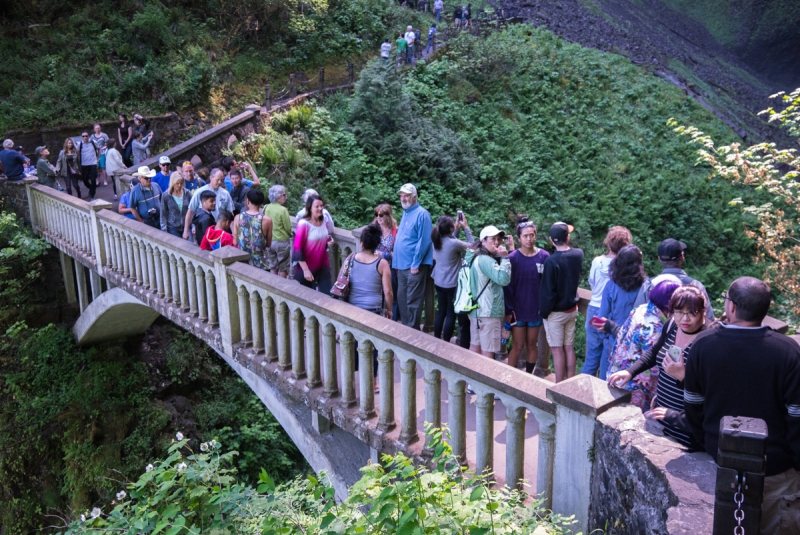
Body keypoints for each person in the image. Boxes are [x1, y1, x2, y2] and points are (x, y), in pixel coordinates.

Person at [685, 278, 800, 535]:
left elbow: (693, 407)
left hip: (721, 466)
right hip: (777, 470)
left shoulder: (703, 346)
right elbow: (797, 416)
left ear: (732, 307)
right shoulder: (788, 351)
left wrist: (711, 444)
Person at [608, 285, 710, 450]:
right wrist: (630, 371)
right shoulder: (672, 325)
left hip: (687, 427)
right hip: (662, 416)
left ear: (703, 311)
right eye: (678, 311)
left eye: (692, 312)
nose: (684, 319)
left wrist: (684, 377)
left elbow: (711, 392)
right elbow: (655, 352)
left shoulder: (709, 340)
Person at [602, 276, 680, 409]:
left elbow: (621, 336)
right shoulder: (654, 328)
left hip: (618, 372)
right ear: (669, 303)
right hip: (636, 384)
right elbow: (655, 364)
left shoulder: (641, 309)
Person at [348, 223, 395, 392]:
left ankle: (351, 380)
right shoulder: (382, 264)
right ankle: (374, 383)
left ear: (361, 243)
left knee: (353, 345)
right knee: (372, 348)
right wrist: (389, 309)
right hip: (373, 311)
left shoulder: (351, 258)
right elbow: (388, 291)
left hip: (353, 310)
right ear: (376, 245)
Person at [591, 244, 647, 379]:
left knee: (605, 384)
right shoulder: (646, 285)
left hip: (613, 342)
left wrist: (606, 337)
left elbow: (601, 319)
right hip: (637, 344)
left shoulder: (610, 286)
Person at [583, 226, 632, 376]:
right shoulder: (624, 266)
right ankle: (603, 395)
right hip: (611, 316)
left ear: (608, 244)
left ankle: (580, 393)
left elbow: (592, 281)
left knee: (592, 355)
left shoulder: (597, 261)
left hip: (594, 311)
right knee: (608, 357)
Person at [504, 217, 550, 373]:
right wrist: (509, 311)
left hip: (535, 309)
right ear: (518, 238)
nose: (529, 239)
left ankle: (528, 376)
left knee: (532, 344)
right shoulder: (513, 259)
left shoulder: (544, 257)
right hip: (517, 310)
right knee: (517, 346)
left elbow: (548, 284)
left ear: (535, 235)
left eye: (532, 235)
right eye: (525, 236)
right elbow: (507, 286)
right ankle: (506, 380)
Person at [539, 222, 584, 383]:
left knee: (557, 351)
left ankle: (559, 386)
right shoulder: (578, 254)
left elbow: (548, 292)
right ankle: (570, 384)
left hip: (556, 313)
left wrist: (544, 313)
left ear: (552, 240)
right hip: (572, 310)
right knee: (569, 347)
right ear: (568, 237)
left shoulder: (551, 262)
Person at [634, 238, 715, 322]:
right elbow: (709, 318)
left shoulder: (649, 285)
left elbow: (637, 315)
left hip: (655, 334)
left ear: (659, 259)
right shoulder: (695, 285)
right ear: (682, 257)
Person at [465, 226, 511, 358]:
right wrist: (505, 258)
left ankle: (469, 378)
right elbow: (503, 279)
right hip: (488, 313)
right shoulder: (486, 260)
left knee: (475, 346)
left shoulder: (473, 256)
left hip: (475, 310)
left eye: (499, 239)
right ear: (483, 241)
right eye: (493, 239)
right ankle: (483, 378)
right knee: (487, 352)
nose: (497, 242)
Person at [393, 183, 433, 331]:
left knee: (413, 300)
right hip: (402, 265)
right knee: (402, 297)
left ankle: (413, 332)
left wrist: (416, 263)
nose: (403, 198)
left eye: (407, 196)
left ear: (414, 197)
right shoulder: (406, 212)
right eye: (402, 196)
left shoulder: (422, 214)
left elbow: (424, 241)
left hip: (414, 266)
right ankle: (406, 328)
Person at [431, 214, 473, 346]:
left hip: (438, 281)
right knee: (450, 314)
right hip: (451, 284)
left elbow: (451, 239)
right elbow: (471, 245)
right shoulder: (454, 244)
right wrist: (465, 227)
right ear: (449, 229)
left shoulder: (436, 239)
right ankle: (446, 342)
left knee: (441, 312)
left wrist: (456, 229)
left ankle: (437, 338)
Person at [293, 194, 334, 294]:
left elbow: (321, 238)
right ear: (310, 208)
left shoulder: (324, 220)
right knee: (306, 298)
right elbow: (297, 249)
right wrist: (306, 270)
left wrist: (327, 242)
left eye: (321, 206)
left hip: (323, 265)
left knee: (328, 296)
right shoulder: (303, 224)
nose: (320, 208)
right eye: (317, 206)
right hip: (307, 267)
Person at [183, 169, 235, 240]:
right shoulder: (200, 192)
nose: (219, 182)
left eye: (221, 180)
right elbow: (190, 211)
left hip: (221, 230)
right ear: (211, 178)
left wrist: (234, 233)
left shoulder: (225, 194)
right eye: (217, 180)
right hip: (204, 230)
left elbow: (231, 215)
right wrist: (186, 231)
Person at [233, 189, 273, 270]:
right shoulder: (267, 220)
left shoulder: (238, 217)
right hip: (261, 263)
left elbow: (235, 242)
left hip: (243, 261)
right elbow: (268, 244)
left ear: (248, 201)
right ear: (261, 203)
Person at [374, 204, 400, 322]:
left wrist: (382, 254)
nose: (378, 217)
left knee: (391, 295)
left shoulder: (395, 231)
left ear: (388, 216)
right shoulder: (374, 228)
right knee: (378, 296)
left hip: (390, 269)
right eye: (376, 214)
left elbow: (397, 254)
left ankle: (392, 322)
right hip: (376, 267)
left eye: (381, 215)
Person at [264, 185, 292, 277]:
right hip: (281, 242)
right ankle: (281, 287)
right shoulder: (283, 210)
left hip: (269, 241)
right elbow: (288, 228)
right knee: (283, 267)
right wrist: (291, 234)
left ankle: (273, 287)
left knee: (273, 267)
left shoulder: (266, 207)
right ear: (277, 197)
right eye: (284, 195)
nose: (285, 197)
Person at [160, 171, 190, 237]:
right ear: (173, 183)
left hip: (187, 226)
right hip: (172, 227)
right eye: (177, 183)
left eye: (181, 183)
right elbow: (163, 214)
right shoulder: (166, 195)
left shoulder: (187, 193)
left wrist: (193, 226)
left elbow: (193, 210)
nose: (179, 185)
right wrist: (164, 230)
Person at [78, 132, 98, 201]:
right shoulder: (80, 144)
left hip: (93, 163)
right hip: (84, 164)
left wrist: (98, 158)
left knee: (93, 179)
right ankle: (91, 188)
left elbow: (99, 149)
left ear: (88, 136)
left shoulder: (93, 142)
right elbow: (78, 153)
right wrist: (78, 163)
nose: (85, 137)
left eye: (86, 136)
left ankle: (92, 195)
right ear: (81, 137)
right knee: (85, 180)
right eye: (83, 136)